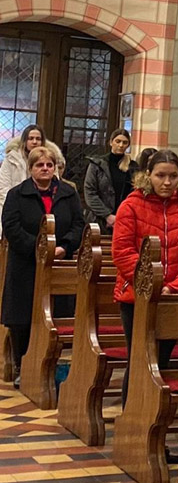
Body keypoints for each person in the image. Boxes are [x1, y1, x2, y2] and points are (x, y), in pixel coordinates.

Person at [111, 150, 178, 404]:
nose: (167, 182)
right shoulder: (131, 206)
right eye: (160, 175)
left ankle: (154, 412)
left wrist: (175, 286)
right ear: (148, 175)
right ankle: (131, 413)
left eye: (173, 176)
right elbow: (122, 251)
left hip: (172, 297)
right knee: (140, 358)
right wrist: (151, 283)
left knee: (160, 362)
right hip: (136, 296)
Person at [1, 146, 83, 384]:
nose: (45, 169)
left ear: (55, 167)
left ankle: (52, 366)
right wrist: (38, 248)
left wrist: (63, 247)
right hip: (25, 263)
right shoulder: (17, 194)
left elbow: (78, 224)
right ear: (31, 168)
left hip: (59, 264)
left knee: (57, 316)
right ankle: (22, 365)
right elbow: (11, 226)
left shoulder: (68, 193)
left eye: (49, 165)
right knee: (23, 317)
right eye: (40, 165)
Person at [0, 124, 66, 219]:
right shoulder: (11, 159)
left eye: (38, 139)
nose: (34, 142)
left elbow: (54, 185)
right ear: (25, 141)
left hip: (43, 209)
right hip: (14, 207)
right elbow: (3, 187)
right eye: (30, 138)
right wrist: (13, 206)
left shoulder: (50, 160)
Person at [83, 129, 138, 235]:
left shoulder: (133, 167)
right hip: (98, 220)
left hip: (125, 219)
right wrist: (107, 215)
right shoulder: (97, 164)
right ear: (111, 142)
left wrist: (123, 216)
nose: (121, 145)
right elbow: (90, 192)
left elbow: (134, 194)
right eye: (118, 141)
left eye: (125, 142)